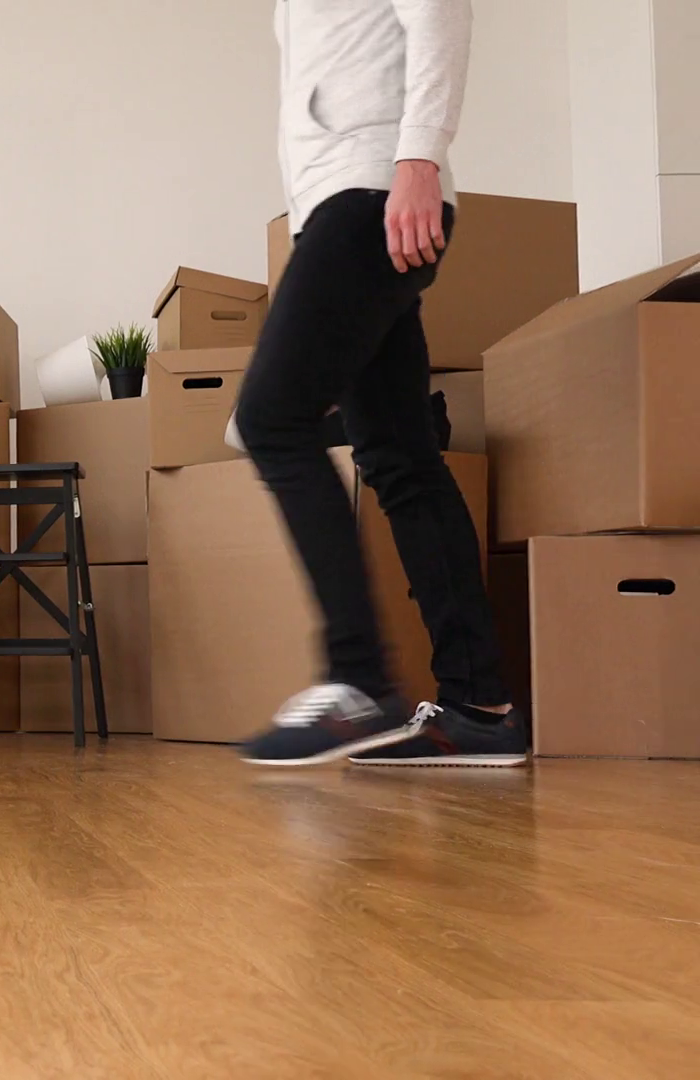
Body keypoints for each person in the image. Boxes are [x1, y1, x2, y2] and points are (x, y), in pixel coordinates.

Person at [235, 0, 528, 768]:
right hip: (346, 202)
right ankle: (479, 706)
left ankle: (358, 683)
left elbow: (439, 9)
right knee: (400, 455)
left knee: (272, 420)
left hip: (371, 195)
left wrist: (419, 158)